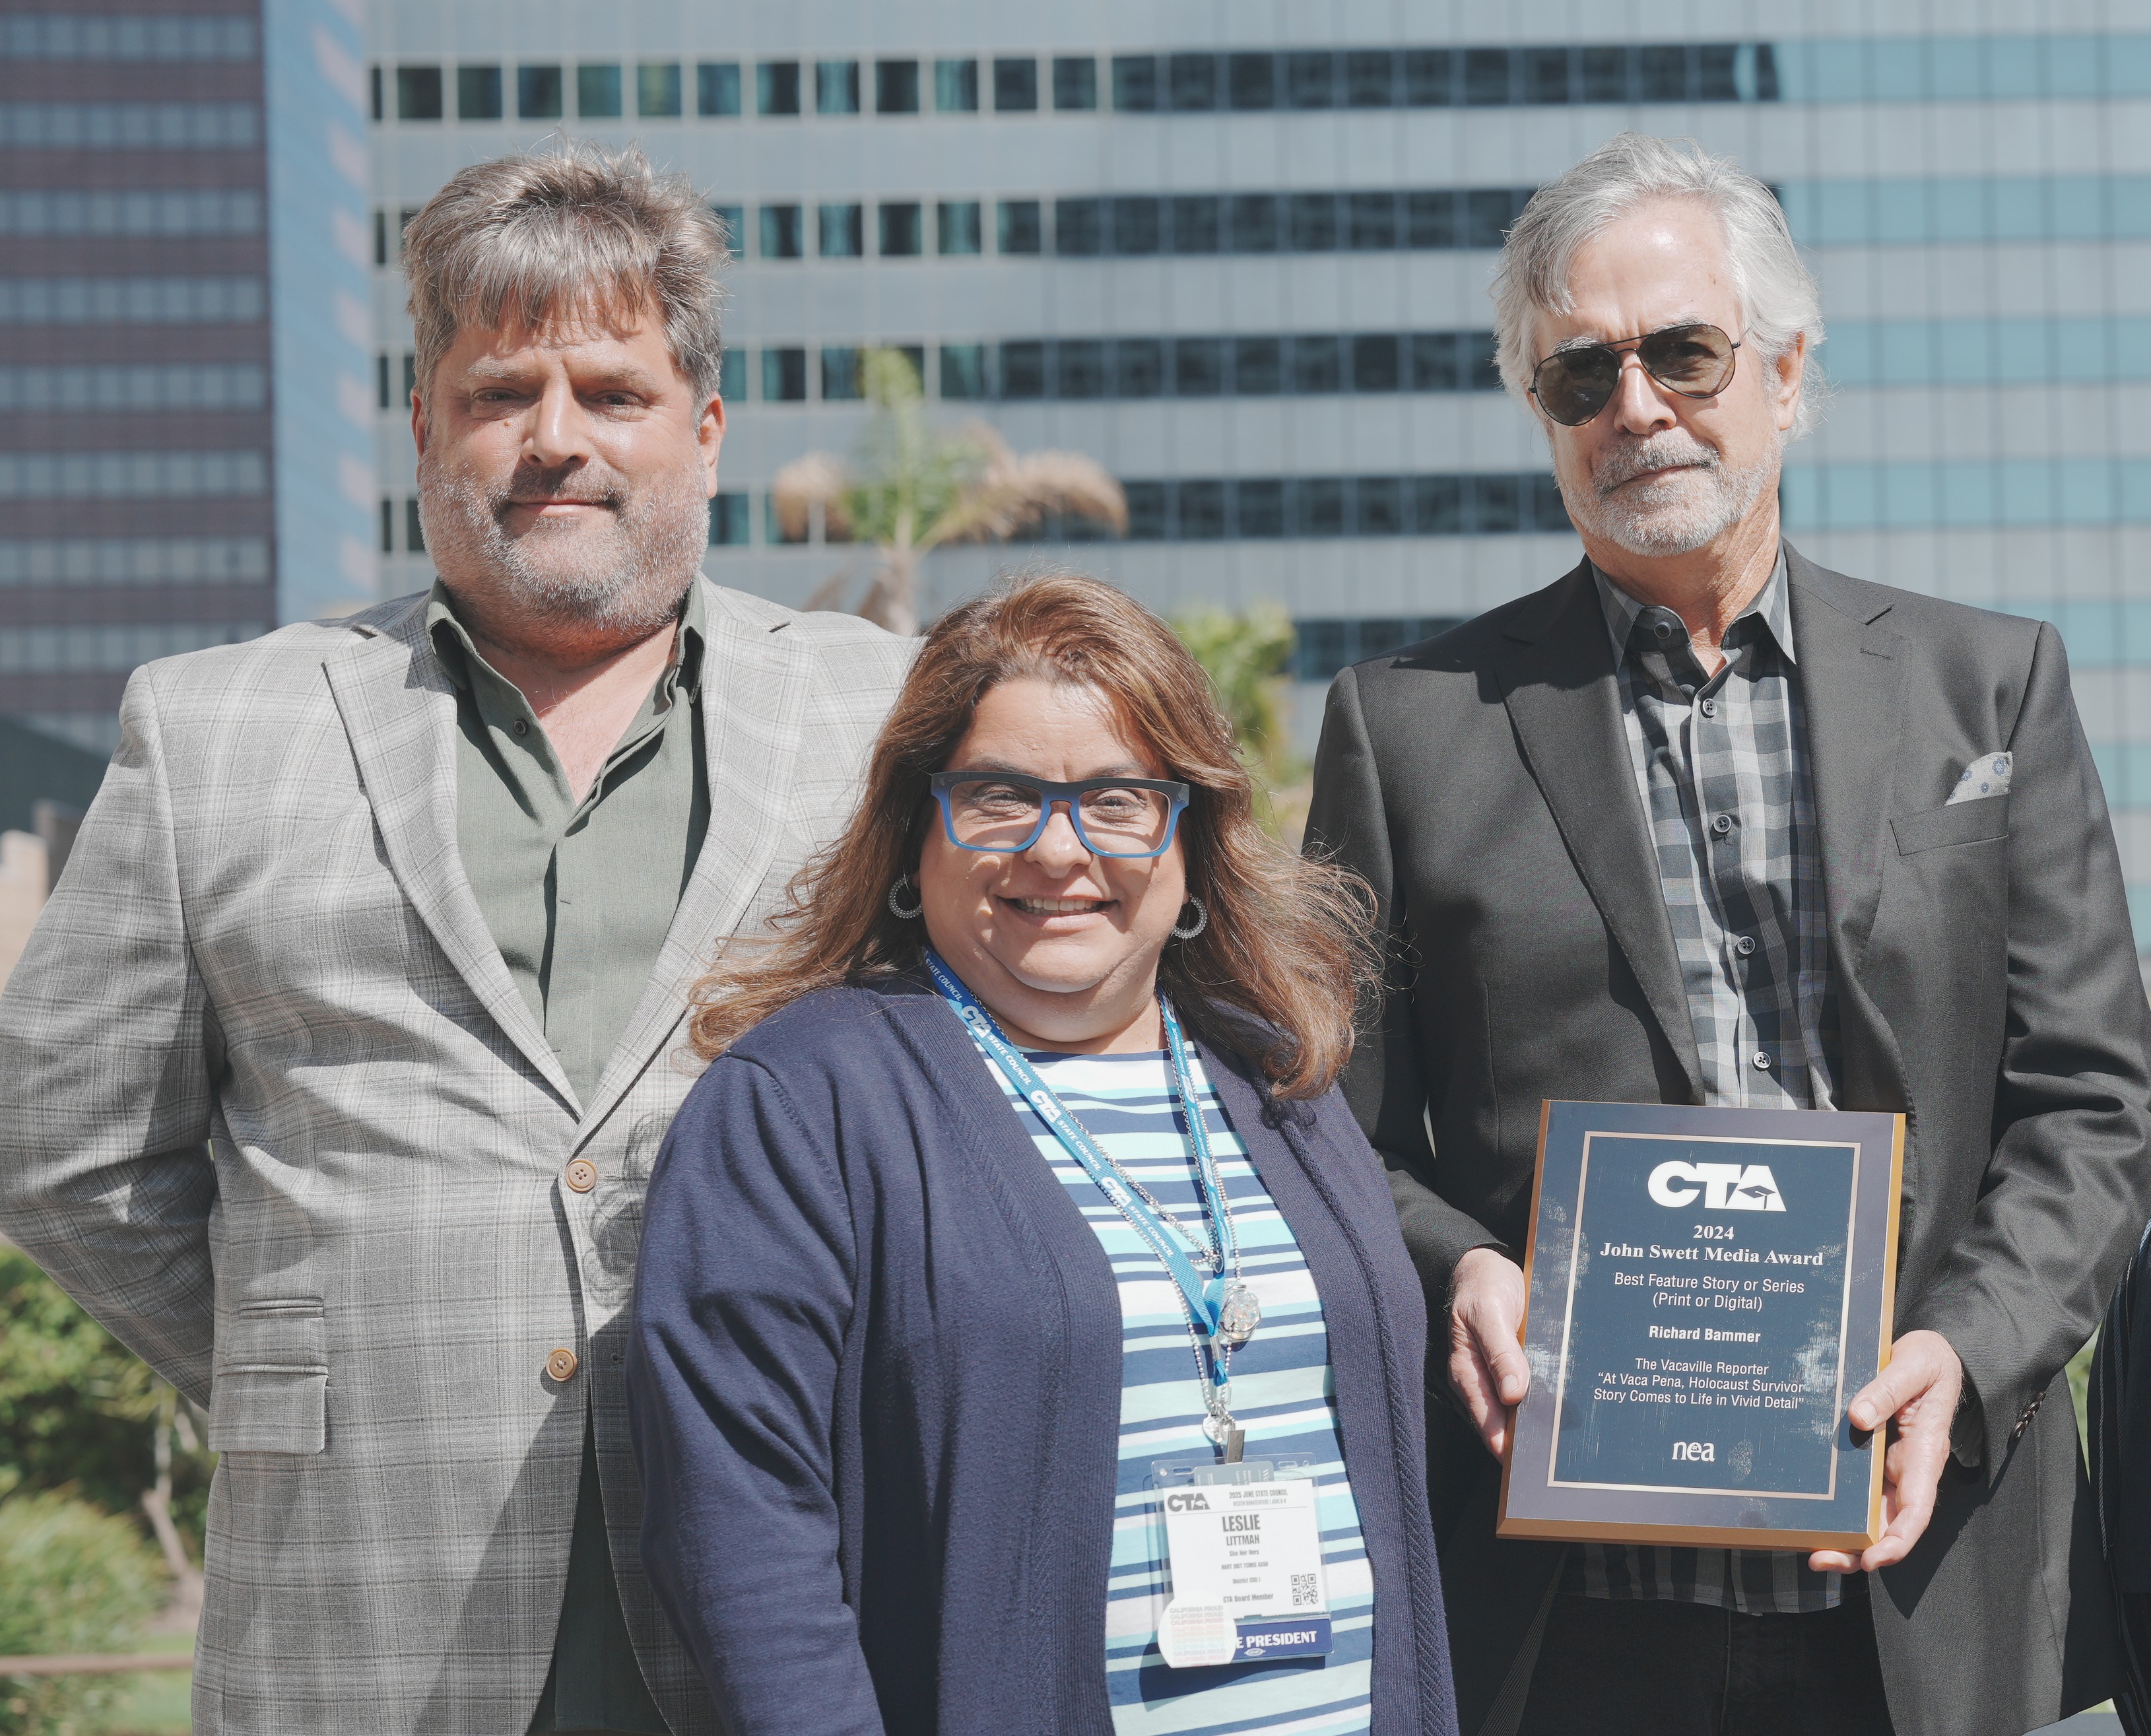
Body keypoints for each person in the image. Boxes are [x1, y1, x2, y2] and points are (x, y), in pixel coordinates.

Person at [0, 145, 911, 1735]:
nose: (554, 439)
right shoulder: (218, 724)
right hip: (363, 1601)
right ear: (423, 425)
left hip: (794, 1574)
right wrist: (307, 1357)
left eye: (612, 392)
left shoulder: (884, 711)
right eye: (499, 392)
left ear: (704, 430)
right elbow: (64, 1141)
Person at [1305, 131, 2151, 1736]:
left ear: (1783, 367)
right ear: (1541, 416)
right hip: (1573, 1617)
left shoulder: (1992, 687)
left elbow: (2095, 1103)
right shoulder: (1406, 729)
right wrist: (1458, 1265)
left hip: (1927, 1581)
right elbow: (1329, 1135)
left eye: (1681, 352)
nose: (1636, 407)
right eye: (1579, 376)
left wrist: (1963, 1354)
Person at [625, 574, 1459, 1736]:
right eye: (1001, 796)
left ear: (1189, 837)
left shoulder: (1280, 1083)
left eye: (1118, 798)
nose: (1060, 848)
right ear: (917, 828)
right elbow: (739, 1539)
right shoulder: (799, 1105)